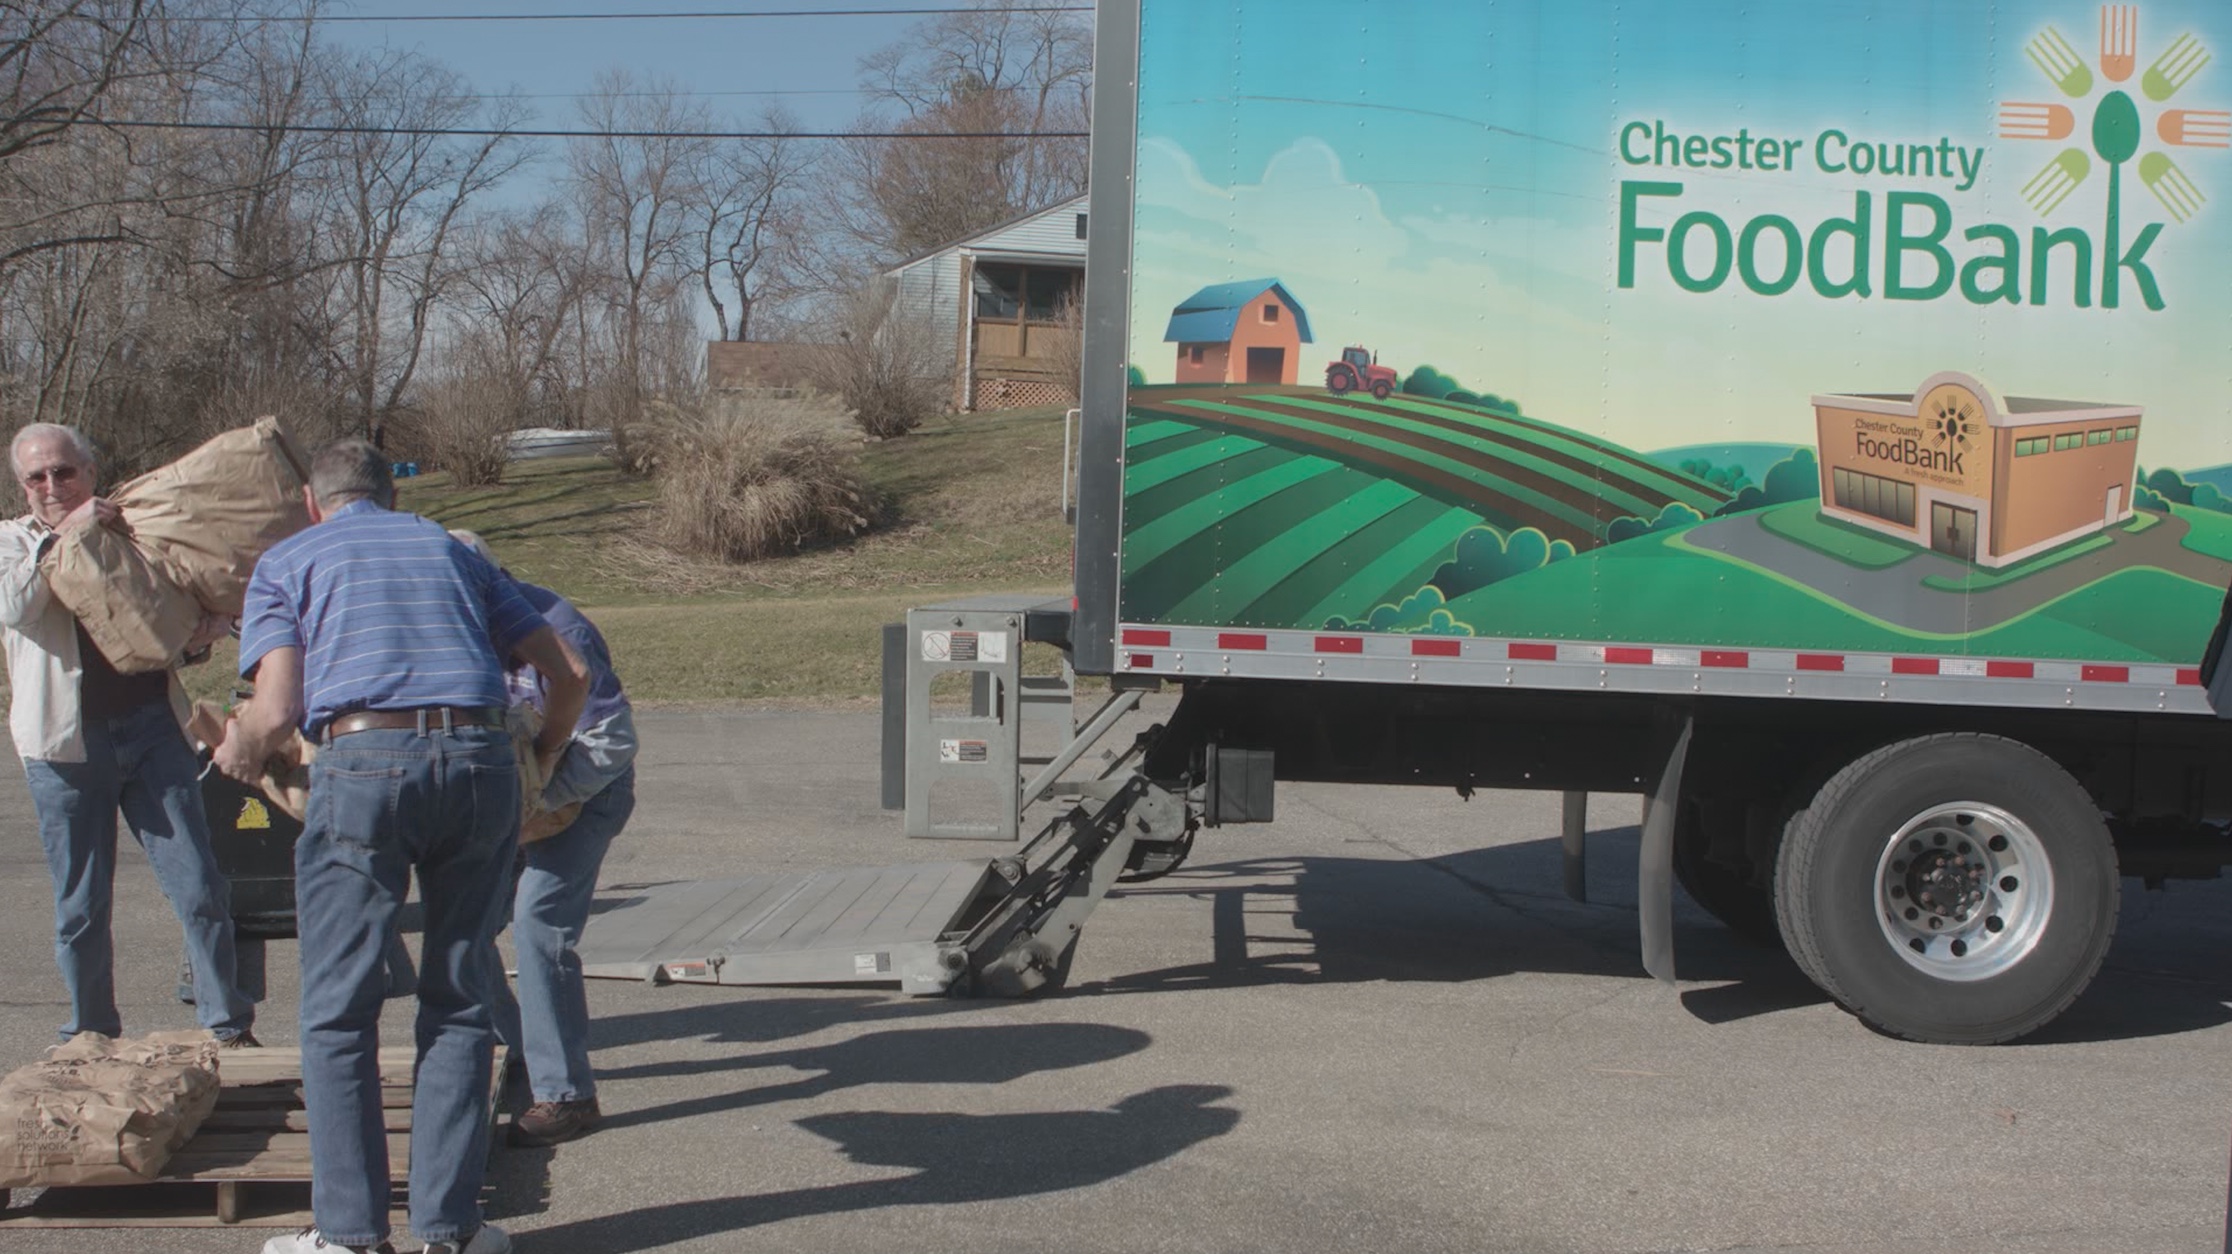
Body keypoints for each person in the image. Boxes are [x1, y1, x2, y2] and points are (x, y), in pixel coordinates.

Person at [216, 439, 587, 1254]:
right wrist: (547, 753)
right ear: (389, 497)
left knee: (338, 1010)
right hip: (483, 761)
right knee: (458, 1001)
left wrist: (239, 751)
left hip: (364, 763)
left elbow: (276, 710)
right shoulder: (452, 551)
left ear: (315, 503)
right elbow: (569, 671)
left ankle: (349, 1235)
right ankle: (450, 1232)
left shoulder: (290, 560)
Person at [0, 422, 256, 1047]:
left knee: (200, 885)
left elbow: (166, 625)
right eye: (38, 477)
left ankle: (227, 1026)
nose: (53, 485)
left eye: (65, 471)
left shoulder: (130, 534)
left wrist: (201, 634)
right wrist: (73, 528)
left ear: (90, 469)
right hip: (65, 744)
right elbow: (15, 607)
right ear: (21, 486)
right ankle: (91, 1032)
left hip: (154, 731)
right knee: (81, 905)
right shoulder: (11, 542)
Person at [451, 529, 638, 1149]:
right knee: (465, 924)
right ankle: (522, 1051)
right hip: (515, 792)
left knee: (539, 926)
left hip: (586, 791)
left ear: (492, 584)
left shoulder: (561, 632)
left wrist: (541, 803)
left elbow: (612, 745)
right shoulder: (452, 625)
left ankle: (568, 1097)